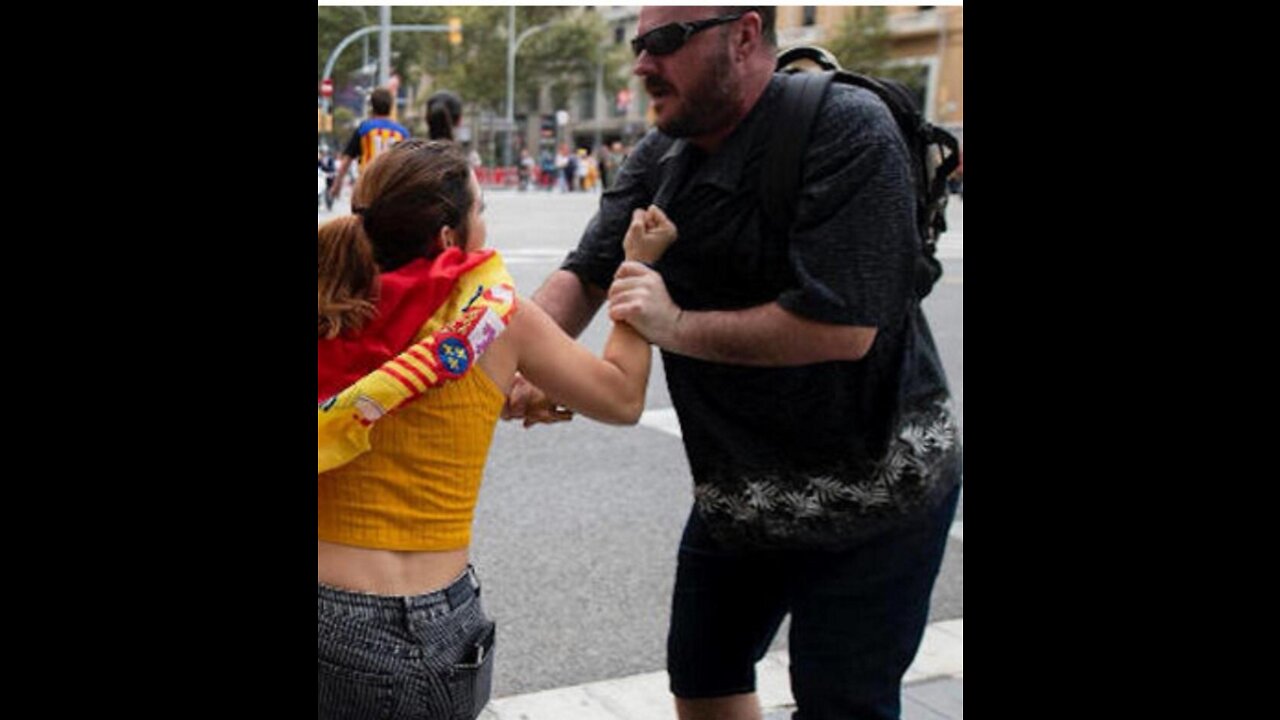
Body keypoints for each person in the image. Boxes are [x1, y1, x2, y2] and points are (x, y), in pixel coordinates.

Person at [504, 7, 961, 720]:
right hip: (741, 495)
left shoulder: (846, 130)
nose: (642, 65)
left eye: (664, 43)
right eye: (638, 45)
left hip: (877, 496)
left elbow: (841, 327)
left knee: (844, 702)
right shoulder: (662, 156)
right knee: (704, 675)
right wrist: (521, 365)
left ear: (744, 36)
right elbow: (586, 272)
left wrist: (674, 324)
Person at [317, 139, 677, 720]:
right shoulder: (493, 319)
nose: (488, 222)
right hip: (414, 623)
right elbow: (622, 395)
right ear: (448, 239)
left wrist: (494, 398)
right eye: (481, 209)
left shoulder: (327, 298)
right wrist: (638, 271)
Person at [329, 87, 410, 203]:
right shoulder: (402, 133)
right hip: (392, 189)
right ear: (391, 106)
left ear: (371, 106)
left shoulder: (364, 129)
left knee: (362, 218)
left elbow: (347, 158)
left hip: (367, 187)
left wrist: (337, 184)